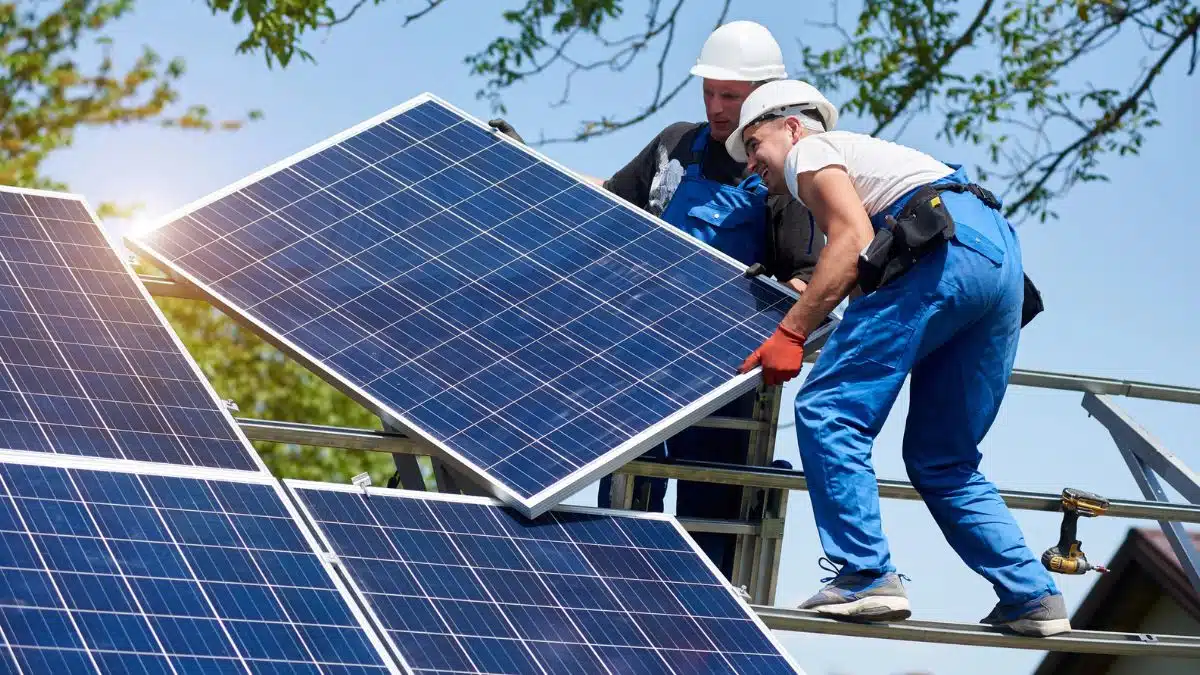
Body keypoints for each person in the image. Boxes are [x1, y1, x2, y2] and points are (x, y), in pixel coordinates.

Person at [724, 79, 1070, 637]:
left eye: (755, 145)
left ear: (791, 127)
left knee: (829, 410)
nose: (752, 165)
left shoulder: (811, 152)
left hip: (943, 249)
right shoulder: (878, 166)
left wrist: (791, 330)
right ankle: (1031, 595)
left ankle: (865, 574)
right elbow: (867, 270)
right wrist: (819, 302)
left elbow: (850, 238)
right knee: (944, 459)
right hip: (995, 258)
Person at [493, 21, 825, 580]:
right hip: (639, 361)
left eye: (732, 97)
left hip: (724, 384)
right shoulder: (675, 144)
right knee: (622, 510)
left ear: (766, 98)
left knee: (709, 527)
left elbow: (807, 279)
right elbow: (609, 202)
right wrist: (532, 166)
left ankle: (702, 636)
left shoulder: (782, 171)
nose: (718, 108)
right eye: (710, 92)